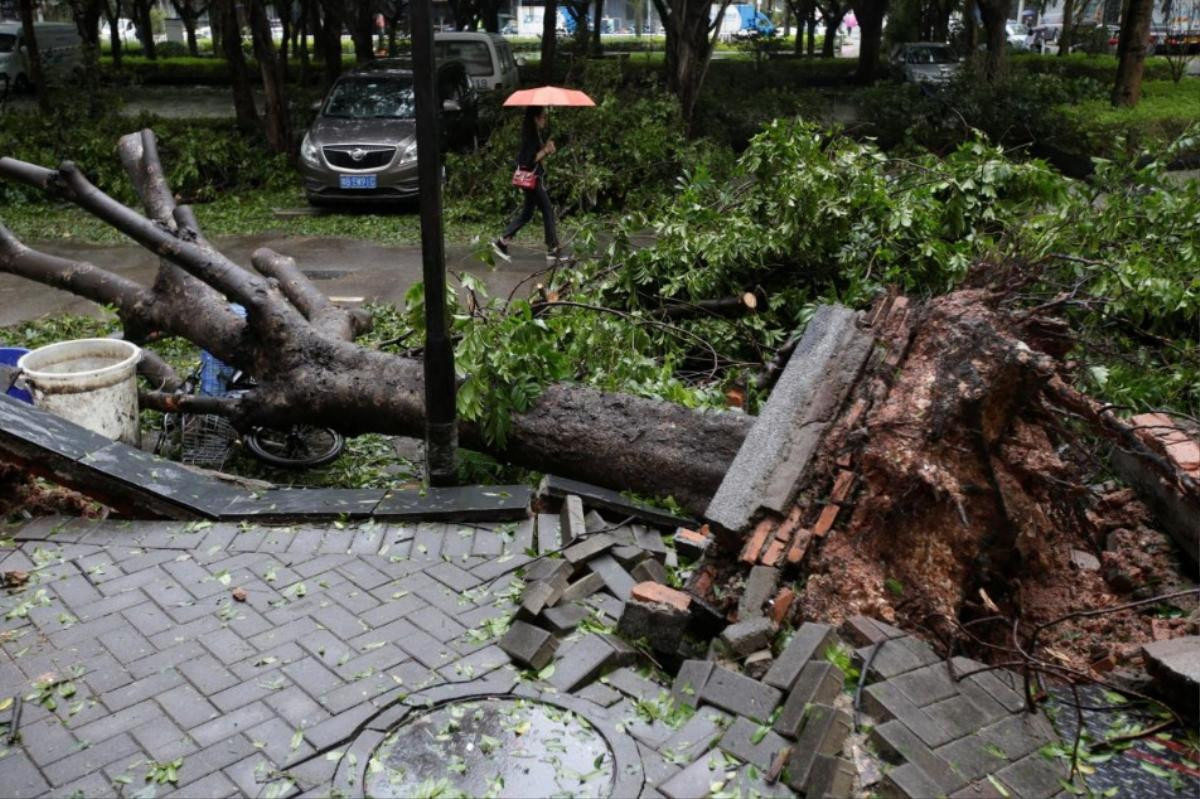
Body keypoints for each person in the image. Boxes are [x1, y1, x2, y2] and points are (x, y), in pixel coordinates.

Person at [493, 106, 563, 264]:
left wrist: (545, 148)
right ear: (535, 118)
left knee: (527, 213)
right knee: (547, 210)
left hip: (530, 180)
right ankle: (552, 249)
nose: (544, 119)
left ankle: (502, 241)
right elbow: (528, 160)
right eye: (543, 117)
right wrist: (545, 151)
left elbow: (534, 157)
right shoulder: (531, 135)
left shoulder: (532, 133)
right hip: (531, 180)